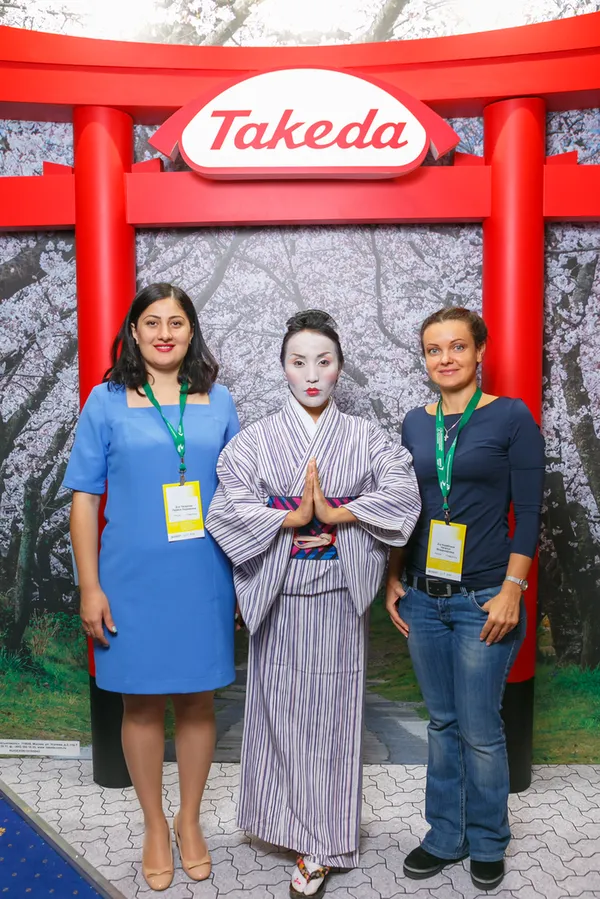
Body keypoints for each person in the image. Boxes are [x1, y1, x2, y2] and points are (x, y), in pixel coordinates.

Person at [206, 309, 421, 897]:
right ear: (283, 368)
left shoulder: (366, 438)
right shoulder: (255, 441)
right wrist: (289, 519)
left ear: (339, 368)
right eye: (298, 362)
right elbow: (226, 509)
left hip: (335, 596)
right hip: (278, 593)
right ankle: (283, 823)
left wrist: (337, 514)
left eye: (323, 361)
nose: (311, 374)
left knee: (330, 718)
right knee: (277, 713)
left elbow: (403, 494)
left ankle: (322, 842)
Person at [64, 283, 239, 892]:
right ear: (134, 332)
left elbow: (241, 495)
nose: (165, 333)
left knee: (197, 701)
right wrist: (90, 587)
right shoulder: (106, 401)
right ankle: (154, 825)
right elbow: (84, 501)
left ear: (192, 331)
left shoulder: (219, 400)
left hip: (205, 576)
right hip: (130, 580)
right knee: (138, 705)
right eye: (152, 322)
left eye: (177, 322)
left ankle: (189, 820)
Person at [386, 306, 545, 892]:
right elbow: (405, 508)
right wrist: (393, 577)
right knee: (442, 723)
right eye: (434, 349)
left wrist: (512, 591)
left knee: (479, 728)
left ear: (480, 351)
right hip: (424, 598)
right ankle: (445, 836)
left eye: (457, 346)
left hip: (484, 597)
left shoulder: (510, 416)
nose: (445, 358)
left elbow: (529, 511)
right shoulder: (413, 423)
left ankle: (487, 840)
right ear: (424, 359)